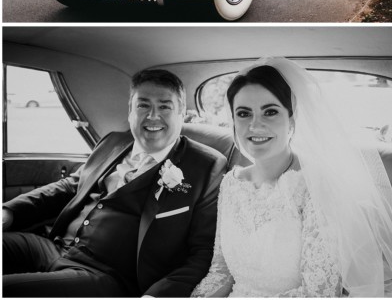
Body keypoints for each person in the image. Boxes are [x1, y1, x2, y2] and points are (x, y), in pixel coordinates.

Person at [192, 58, 392, 297]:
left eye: (270, 112)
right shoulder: (230, 184)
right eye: (244, 113)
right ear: (233, 120)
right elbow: (221, 270)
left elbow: (316, 293)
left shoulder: (318, 187)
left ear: (292, 120)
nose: (255, 125)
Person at [2, 69, 228, 297]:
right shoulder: (112, 142)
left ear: (181, 113)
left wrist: (157, 295)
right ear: (130, 111)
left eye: (164, 106)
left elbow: (203, 251)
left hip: (105, 276)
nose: (152, 116)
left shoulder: (206, 166)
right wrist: (9, 211)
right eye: (143, 105)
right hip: (51, 246)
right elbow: (70, 187)